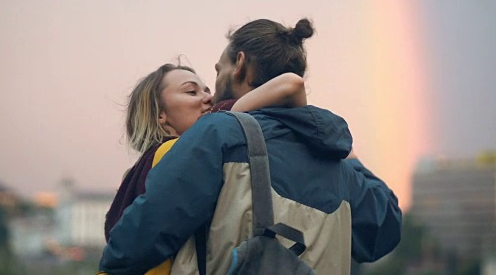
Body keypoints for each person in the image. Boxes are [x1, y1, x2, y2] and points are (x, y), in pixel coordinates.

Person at [99, 18, 402, 274]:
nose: (210, 94)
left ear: (240, 65)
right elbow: (385, 230)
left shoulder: (218, 132)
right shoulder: (335, 162)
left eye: (216, 72)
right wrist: (347, 156)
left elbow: (133, 243)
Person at [103, 64, 308, 274]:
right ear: (159, 114)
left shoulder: (140, 169)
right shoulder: (177, 152)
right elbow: (291, 85)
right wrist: (223, 117)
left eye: (207, 90)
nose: (208, 98)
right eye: (191, 91)